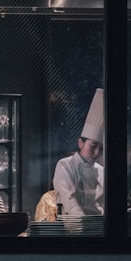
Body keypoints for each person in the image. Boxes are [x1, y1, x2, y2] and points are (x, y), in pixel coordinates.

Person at [53, 87, 105, 216]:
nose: (97, 152)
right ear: (80, 143)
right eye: (93, 146)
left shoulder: (102, 171)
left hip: (100, 230)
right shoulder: (65, 165)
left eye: (101, 148)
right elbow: (69, 201)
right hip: (72, 230)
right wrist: (85, 224)